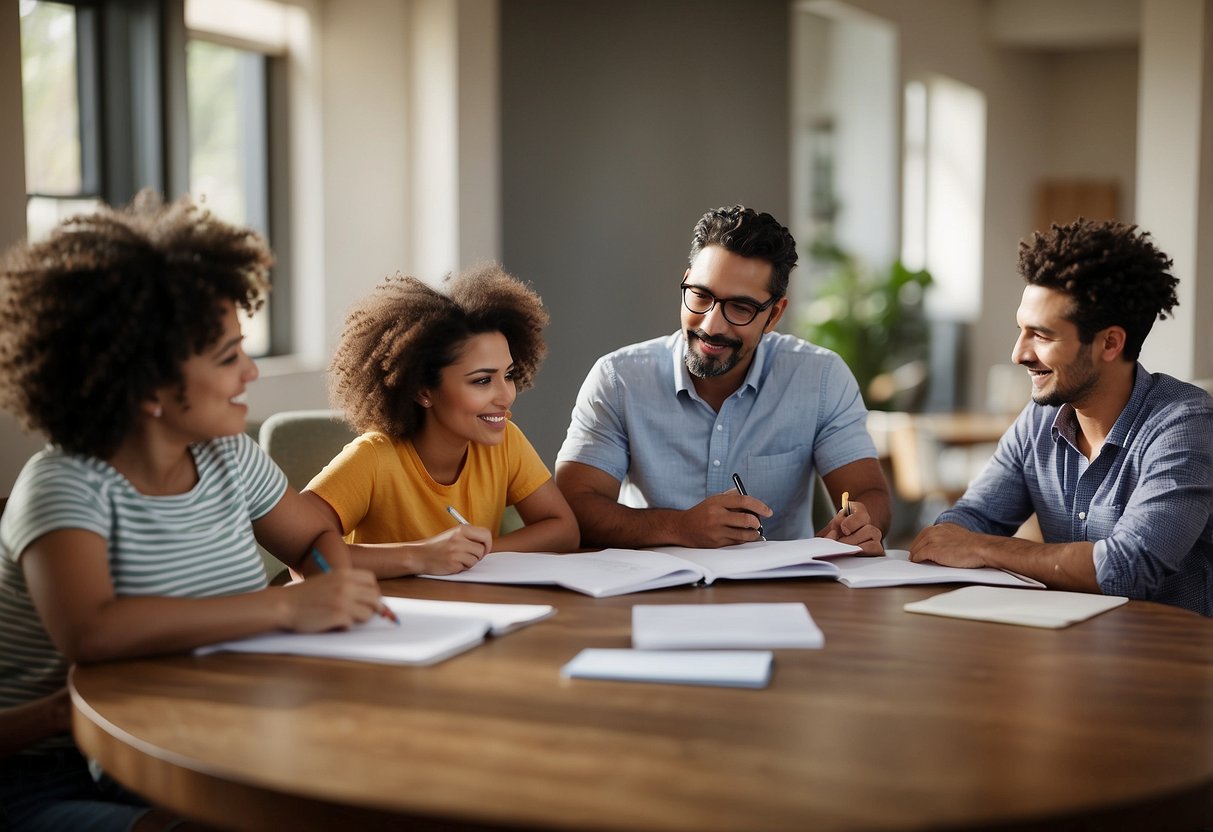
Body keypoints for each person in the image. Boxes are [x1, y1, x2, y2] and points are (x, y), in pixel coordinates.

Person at [0, 193, 385, 830]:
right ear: (149, 387)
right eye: (228, 357)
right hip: (53, 773)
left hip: (197, 734)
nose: (251, 372)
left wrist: (329, 580)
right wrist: (288, 606)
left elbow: (313, 532)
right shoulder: (65, 485)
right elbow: (94, 632)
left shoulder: (230, 456)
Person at [910, 218, 1213, 616]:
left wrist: (981, 547)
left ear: (1110, 343)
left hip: (1169, 665)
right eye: (1021, 330)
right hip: (1064, 649)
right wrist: (955, 537)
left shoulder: (1185, 425)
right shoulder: (1038, 421)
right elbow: (967, 522)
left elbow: (1129, 567)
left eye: (1042, 335)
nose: (1019, 353)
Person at [555, 204, 889, 552]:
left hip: (778, 592)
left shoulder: (820, 378)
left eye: (740, 308)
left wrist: (860, 524)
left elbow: (870, 494)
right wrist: (679, 527)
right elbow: (576, 505)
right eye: (701, 295)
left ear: (773, 315)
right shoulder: (618, 379)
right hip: (649, 591)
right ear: (685, 283)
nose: (711, 325)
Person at [303, 266, 579, 577]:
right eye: (482, 381)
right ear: (424, 390)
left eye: (509, 375)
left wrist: (474, 553)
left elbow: (564, 530)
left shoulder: (505, 440)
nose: (506, 396)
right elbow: (303, 555)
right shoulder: (373, 458)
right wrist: (421, 556)